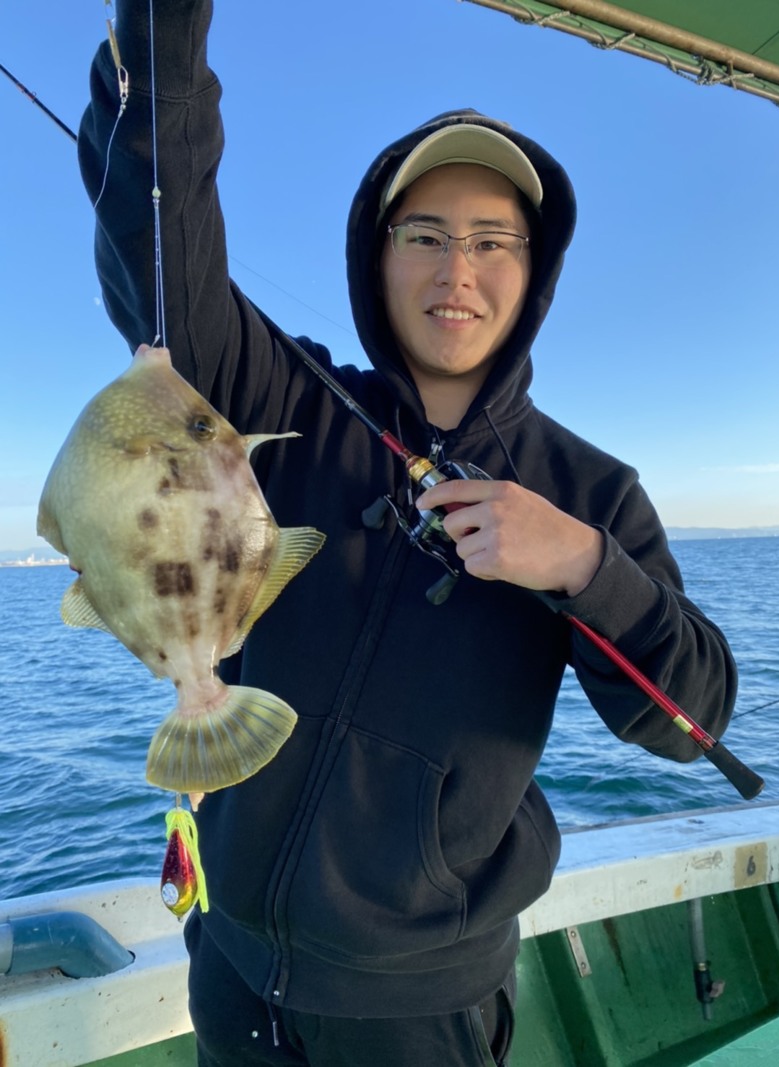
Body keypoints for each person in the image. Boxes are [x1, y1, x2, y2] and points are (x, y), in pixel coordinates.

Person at [78, 2, 738, 1064]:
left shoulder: (590, 492)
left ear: (535, 270)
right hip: (234, 966)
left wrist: (578, 567)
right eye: (423, 236)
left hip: (419, 1008)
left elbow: (689, 723)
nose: (454, 272)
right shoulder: (279, 398)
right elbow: (162, 253)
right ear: (374, 255)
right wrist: (159, 49)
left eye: (489, 242)